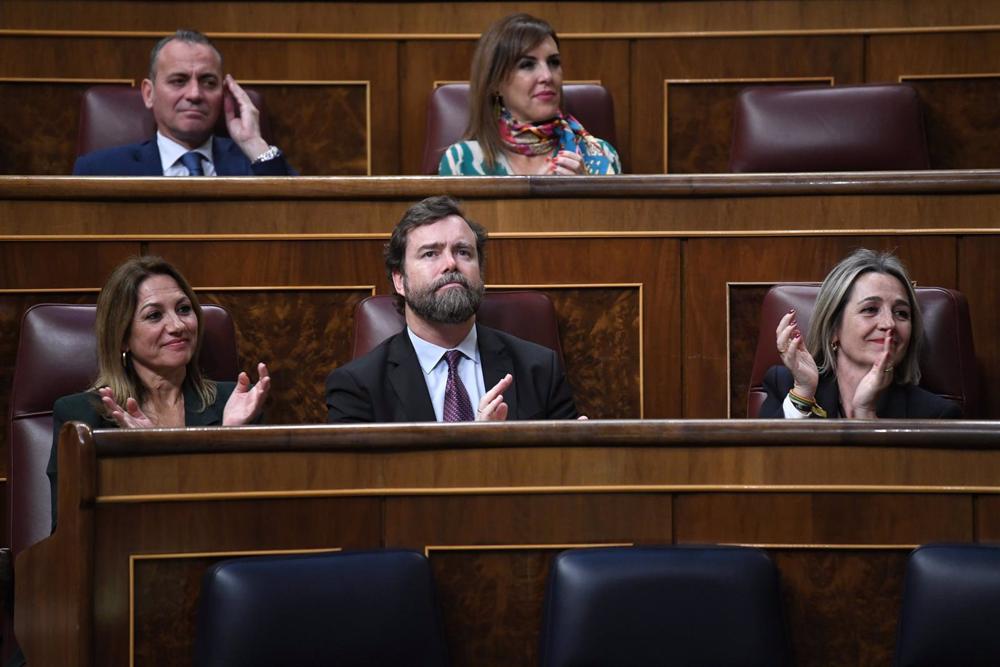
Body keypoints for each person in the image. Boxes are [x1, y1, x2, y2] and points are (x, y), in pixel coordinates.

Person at [48, 256, 270, 527]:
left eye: (184, 309)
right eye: (154, 315)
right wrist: (144, 458)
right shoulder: (81, 417)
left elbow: (258, 518)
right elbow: (69, 532)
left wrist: (227, 436)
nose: (178, 326)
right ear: (122, 337)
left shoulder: (235, 404)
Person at [326, 195, 580, 422]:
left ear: (480, 274)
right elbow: (362, 475)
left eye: (463, 252)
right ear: (399, 280)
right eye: (430, 254)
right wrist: (482, 448)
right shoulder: (357, 387)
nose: (450, 263)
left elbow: (563, 471)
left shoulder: (539, 369)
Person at [759, 249, 961, 419]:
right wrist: (803, 394)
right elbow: (765, 464)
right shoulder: (786, 384)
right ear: (833, 328)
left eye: (901, 313)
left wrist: (865, 414)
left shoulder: (935, 414)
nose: (889, 323)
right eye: (870, 309)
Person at [73, 29, 294, 176]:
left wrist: (253, 144)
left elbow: (295, 224)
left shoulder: (256, 164)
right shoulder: (100, 170)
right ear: (149, 94)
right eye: (179, 81)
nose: (195, 94)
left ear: (224, 93)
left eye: (208, 83)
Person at [438, 13, 620, 176]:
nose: (547, 76)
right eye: (527, 65)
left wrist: (585, 191)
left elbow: (616, 215)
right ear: (495, 83)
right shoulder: (461, 163)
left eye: (554, 62)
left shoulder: (602, 155)